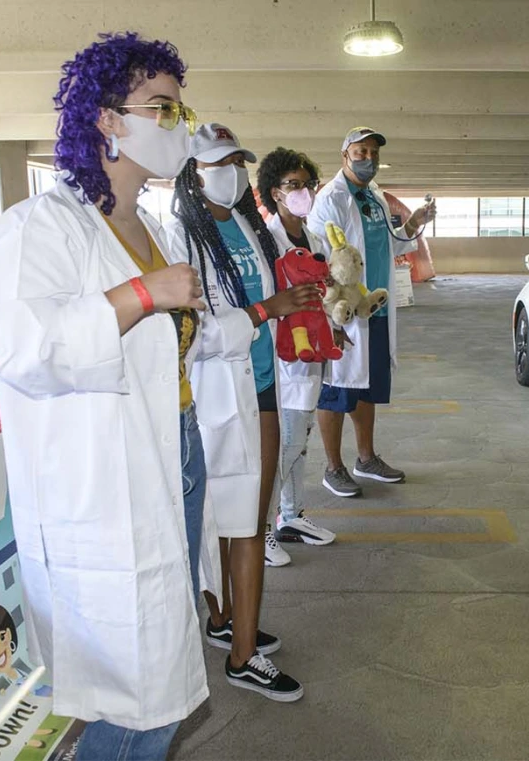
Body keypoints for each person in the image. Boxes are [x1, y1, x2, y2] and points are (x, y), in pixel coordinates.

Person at [0, 32, 218, 761]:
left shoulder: (149, 225)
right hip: (102, 487)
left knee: (168, 668)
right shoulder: (37, 228)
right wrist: (142, 294)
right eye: (162, 108)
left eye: (180, 109)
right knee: (137, 696)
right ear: (108, 120)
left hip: (176, 449)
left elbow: (162, 350)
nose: (177, 124)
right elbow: (25, 349)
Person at [168, 124, 317, 702]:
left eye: (237, 161)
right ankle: (242, 656)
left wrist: (303, 312)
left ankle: (232, 621)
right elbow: (194, 334)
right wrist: (264, 311)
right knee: (237, 524)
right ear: (194, 171)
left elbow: (278, 299)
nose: (230, 170)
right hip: (217, 395)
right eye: (218, 162)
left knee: (245, 519)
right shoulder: (182, 235)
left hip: (260, 386)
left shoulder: (249, 227)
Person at [306, 127, 436, 497]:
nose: (368, 159)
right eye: (360, 152)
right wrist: (330, 310)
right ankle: (333, 468)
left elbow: (397, 241)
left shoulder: (374, 195)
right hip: (345, 312)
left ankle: (366, 459)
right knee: (337, 388)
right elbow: (319, 257)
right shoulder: (331, 198)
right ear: (344, 155)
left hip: (375, 307)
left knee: (366, 386)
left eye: (373, 153)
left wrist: (416, 221)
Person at [257, 147, 340, 554]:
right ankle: (263, 527)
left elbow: (323, 292)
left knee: (300, 439)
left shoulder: (312, 237)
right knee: (284, 442)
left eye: (307, 184)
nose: (303, 192)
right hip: (283, 357)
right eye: (293, 185)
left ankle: (291, 515)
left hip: (311, 354)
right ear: (274, 192)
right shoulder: (266, 241)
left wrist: (335, 327)